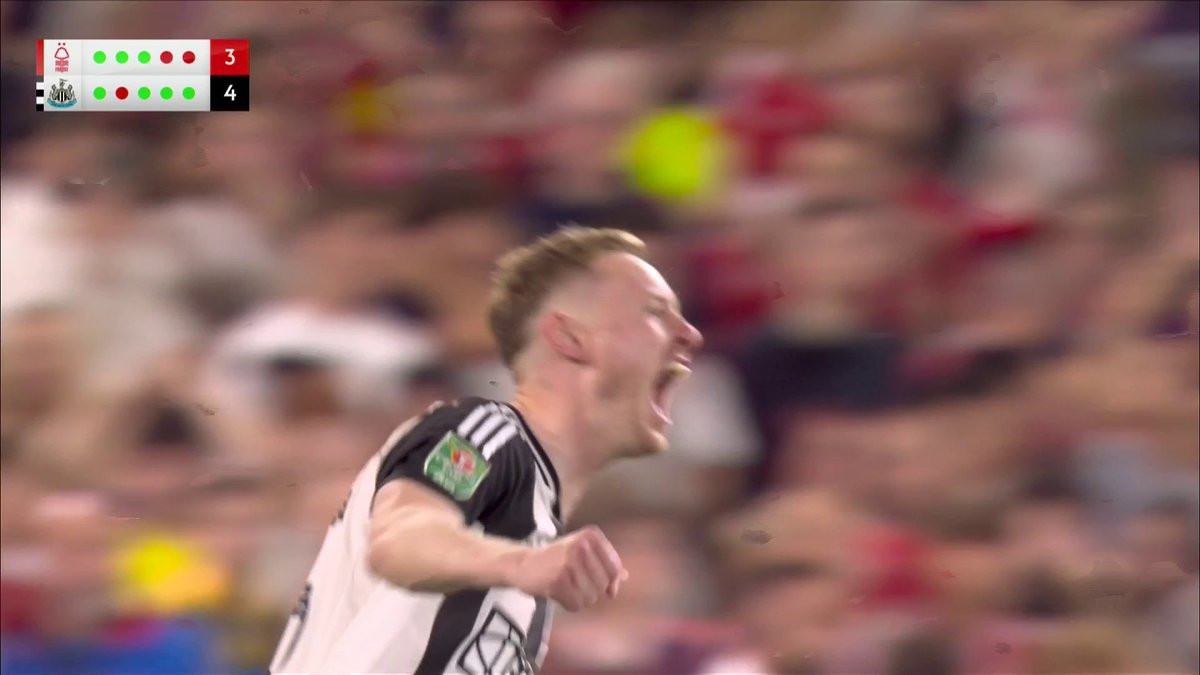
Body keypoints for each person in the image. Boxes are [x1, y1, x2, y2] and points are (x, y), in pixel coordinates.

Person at [269, 226, 704, 674]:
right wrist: (522, 563)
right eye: (655, 313)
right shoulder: (486, 432)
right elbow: (400, 536)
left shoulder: (529, 520)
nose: (691, 335)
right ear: (570, 338)